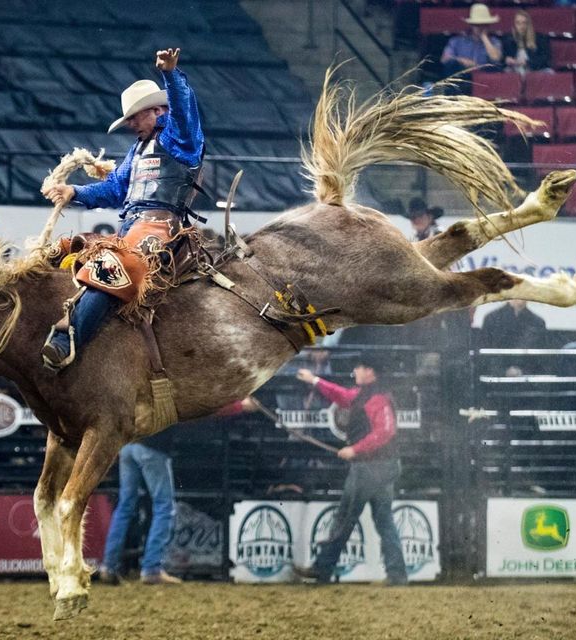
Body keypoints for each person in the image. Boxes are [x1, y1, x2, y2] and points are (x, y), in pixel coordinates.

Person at [40, 47, 204, 369]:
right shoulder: (138, 149)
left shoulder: (181, 138)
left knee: (114, 265)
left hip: (160, 226)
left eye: (135, 116)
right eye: (129, 118)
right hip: (132, 226)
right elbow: (116, 188)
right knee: (63, 251)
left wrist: (170, 74)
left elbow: (184, 110)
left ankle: (66, 339)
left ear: (158, 111)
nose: (130, 123)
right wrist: (74, 190)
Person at [100, 398, 256, 585]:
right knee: (164, 506)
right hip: (153, 447)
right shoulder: (169, 385)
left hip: (128, 444)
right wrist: (239, 406)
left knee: (126, 505)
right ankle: (151, 568)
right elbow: (201, 406)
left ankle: (108, 566)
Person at [292, 358, 408, 586]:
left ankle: (322, 569)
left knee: (345, 517)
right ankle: (397, 575)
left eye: (359, 368)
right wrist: (315, 380)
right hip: (383, 466)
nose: (355, 371)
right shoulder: (370, 395)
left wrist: (355, 449)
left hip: (369, 467)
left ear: (370, 371)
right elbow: (343, 396)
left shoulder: (375, 398)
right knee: (384, 520)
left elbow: (384, 432)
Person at [440, 3, 502, 93]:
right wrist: (461, 60)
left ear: (488, 25)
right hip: (461, 80)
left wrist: (484, 38)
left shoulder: (494, 41)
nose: (480, 28)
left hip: (484, 82)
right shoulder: (457, 41)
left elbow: (496, 58)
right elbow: (444, 59)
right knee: (452, 66)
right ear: (471, 25)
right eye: (477, 25)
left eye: (483, 25)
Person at [480, 300, 548, 350]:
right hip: (497, 368)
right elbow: (486, 350)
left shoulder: (537, 322)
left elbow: (540, 355)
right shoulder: (492, 318)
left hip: (527, 368)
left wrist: (521, 369)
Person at [502, 10, 550, 75]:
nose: (521, 26)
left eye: (524, 23)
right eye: (518, 23)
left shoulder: (540, 39)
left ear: (529, 24)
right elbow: (502, 58)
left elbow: (545, 58)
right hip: (514, 70)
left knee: (549, 72)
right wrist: (507, 60)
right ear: (514, 25)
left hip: (535, 70)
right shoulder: (508, 39)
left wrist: (527, 62)